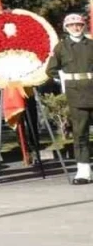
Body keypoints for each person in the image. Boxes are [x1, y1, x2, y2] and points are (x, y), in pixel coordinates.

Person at [45, 12, 93, 185]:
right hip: (76, 95)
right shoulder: (61, 47)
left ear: (84, 26)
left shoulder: (91, 44)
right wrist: (63, 80)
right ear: (66, 28)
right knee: (80, 133)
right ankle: (83, 170)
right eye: (72, 25)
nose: (76, 27)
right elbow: (51, 70)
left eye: (79, 24)